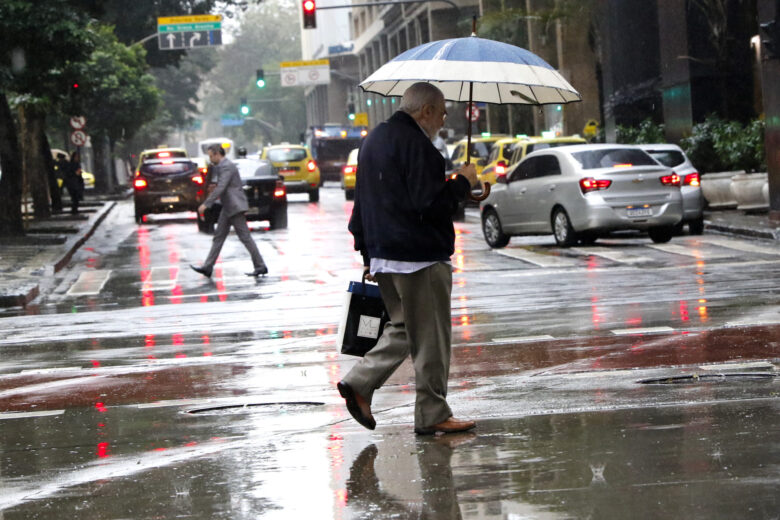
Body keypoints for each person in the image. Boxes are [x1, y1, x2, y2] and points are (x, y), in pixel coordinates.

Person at [337, 82, 479, 435]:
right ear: (426, 110)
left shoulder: (372, 142)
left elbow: (363, 204)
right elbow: (429, 205)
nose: (443, 120)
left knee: (403, 328)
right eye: (443, 112)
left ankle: (360, 381)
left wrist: (368, 252)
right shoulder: (421, 148)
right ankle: (432, 413)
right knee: (430, 337)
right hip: (420, 259)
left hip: (385, 256)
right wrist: (462, 182)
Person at [190, 143, 268, 278]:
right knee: (219, 237)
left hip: (234, 206)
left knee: (245, 238)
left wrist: (206, 204)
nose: (210, 159)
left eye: (210, 156)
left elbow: (221, 187)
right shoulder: (221, 166)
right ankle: (208, 267)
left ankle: (260, 266)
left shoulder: (226, 166)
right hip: (228, 206)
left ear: (216, 153)